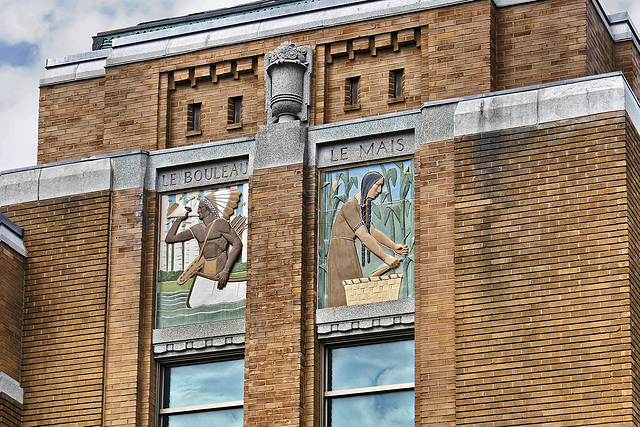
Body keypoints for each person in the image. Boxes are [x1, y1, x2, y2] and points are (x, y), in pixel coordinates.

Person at [327, 171, 409, 307]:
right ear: (368, 185)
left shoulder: (361, 207)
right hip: (341, 254)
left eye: (381, 186)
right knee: (346, 294)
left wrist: (394, 246)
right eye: (377, 185)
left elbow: (372, 231)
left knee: (355, 292)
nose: (379, 190)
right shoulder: (350, 206)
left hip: (349, 251)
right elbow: (364, 236)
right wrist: (386, 258)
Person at [165, 189, 243, 289]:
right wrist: (179, 219)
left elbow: (237, 244)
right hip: (206, 264)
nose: (198, 211)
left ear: (209, 209)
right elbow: (170, 239)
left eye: (201, 208)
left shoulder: (220, 223)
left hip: (220, 264)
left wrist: (226, 271)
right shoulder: (197, 229)